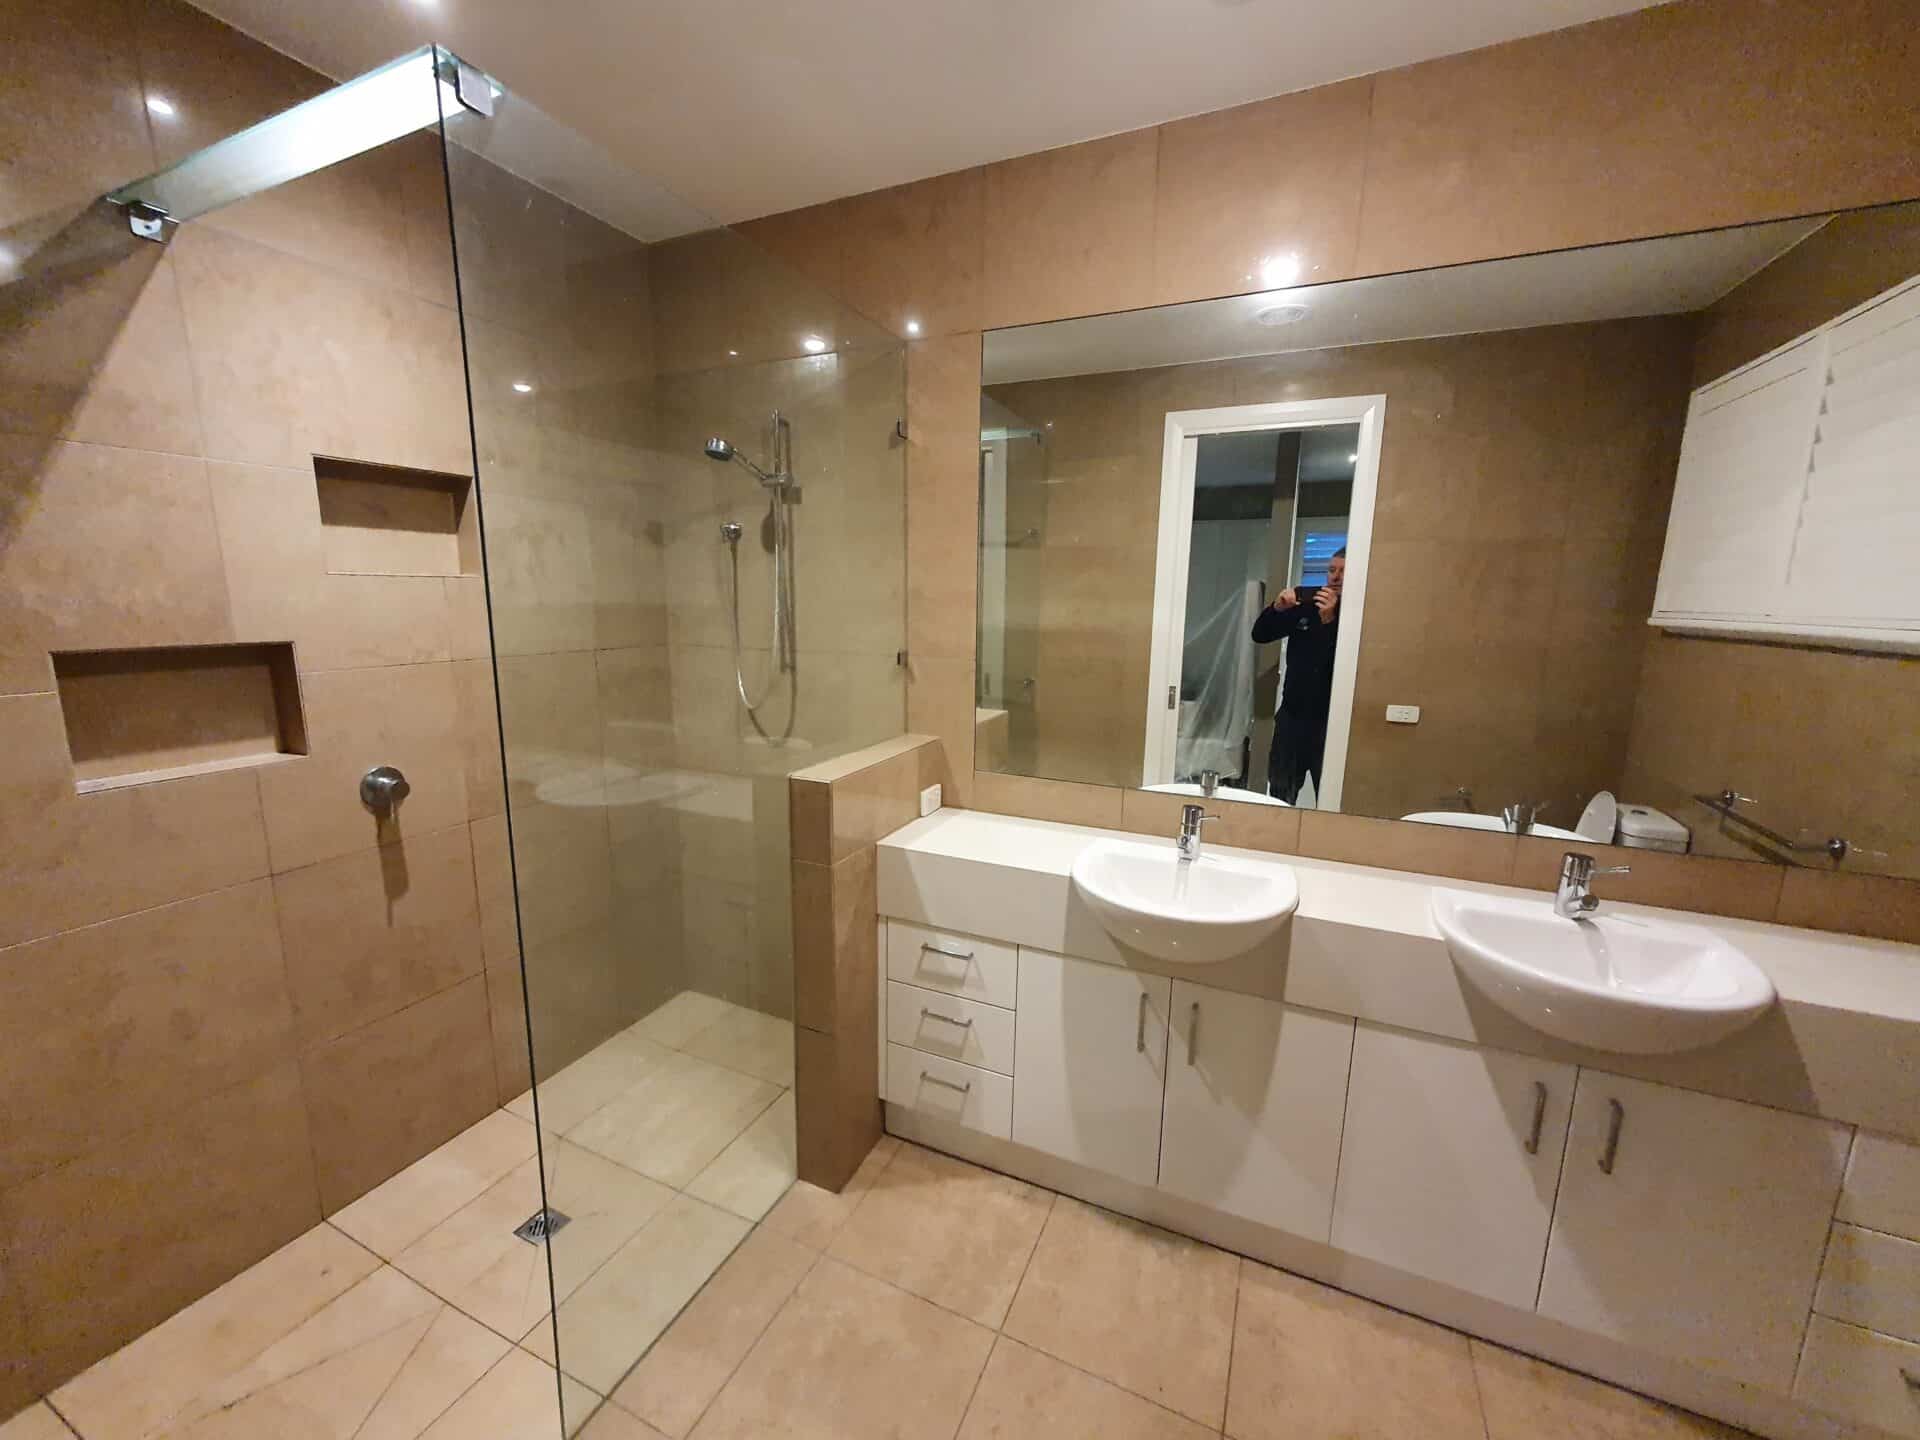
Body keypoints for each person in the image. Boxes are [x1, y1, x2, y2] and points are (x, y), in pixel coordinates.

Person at [1250, 548, 1344, 804]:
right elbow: (1260, 634)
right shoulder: (1307, 607)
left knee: (1331, 797)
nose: (1335, 577)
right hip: (1292, 717)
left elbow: (1342, 664)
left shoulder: (1355, 616)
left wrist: (1330, 623)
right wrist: (1277, 609)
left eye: (1343, 571)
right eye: (1331, 570)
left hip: (1330, 723)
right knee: (1280, 794)